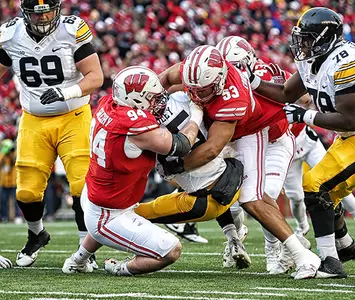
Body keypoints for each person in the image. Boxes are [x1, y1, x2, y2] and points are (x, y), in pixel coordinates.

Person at [159, 45, 320, 279]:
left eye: (202, 90)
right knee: (248, 195)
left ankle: (302, 255)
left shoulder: (233, 98)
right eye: (192, 87)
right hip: (226, 127)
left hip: (249, 132)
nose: (196, 94)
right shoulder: (198, 70)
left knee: (250, 198)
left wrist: (174, 167)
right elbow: (163, 79)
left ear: (219, 80)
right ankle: (283, 243)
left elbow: (212, 149)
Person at [246, 7, 355, 278]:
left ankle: (330, 261)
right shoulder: (313, 59)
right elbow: (284, 93)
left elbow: (348, 120)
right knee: (322, 188)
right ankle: (345, 246)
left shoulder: (347, 60)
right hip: (351, 137)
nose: (300, 43)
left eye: (307, 37)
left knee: (316, 186)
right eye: (300, 37)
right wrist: (253, 81)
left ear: (326, 37)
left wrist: (305, 115)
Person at [62, 66, 203, 275]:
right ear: (136, 101)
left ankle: (77, 260)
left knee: (113, 222)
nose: (158, 103)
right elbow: (181, 144)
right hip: (108, 212)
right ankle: (119, 268)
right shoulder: (135, 128)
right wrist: (196, 113)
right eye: (152, 99)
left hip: (95, 195)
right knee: (171, 250)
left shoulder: (108, 104)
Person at [0, 0, 103, 267]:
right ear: (25, 14)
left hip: (74, 116)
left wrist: (65, 92)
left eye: (47, 10)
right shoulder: (11, 35)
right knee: (26, 191)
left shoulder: (71, 30)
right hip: (34, 119)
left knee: (81, 184)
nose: (44, 17)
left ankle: (85, 249)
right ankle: (36, 235)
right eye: (37, 13)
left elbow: (95, 76)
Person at [134, 90, 251, 269]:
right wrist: (196, 112)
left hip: (201, 203)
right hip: (232, 177)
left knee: (130, 216)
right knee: (219, 192)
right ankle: (234, 239)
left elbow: (169, 175)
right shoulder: (182, 98)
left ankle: (110, 263)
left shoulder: (146, 130)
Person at [216, 36, 296, 272]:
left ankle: (273, 249)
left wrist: (285, 90)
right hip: (245, 142)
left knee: (266, 192)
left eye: (234, 67)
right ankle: (235, 235)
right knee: (230, 203)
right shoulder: (222, 82)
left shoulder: (269, 73)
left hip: (275, 142)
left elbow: (299, 96)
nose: (230, 73)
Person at [285, 122, 355, 241]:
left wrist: (306, 113)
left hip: (307, 140)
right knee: (295, 196)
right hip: (286, 149)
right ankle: (301, 228)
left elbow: (304, 104)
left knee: (335, 182)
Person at [0, 139, 20, 223]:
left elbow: (15, 160)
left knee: (16, 201)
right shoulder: (2, 155)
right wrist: (4, 153)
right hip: (4, 182)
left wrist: (11, 152)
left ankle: (17, 216)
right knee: (4, 201)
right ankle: (4, 217)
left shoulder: (14, 154)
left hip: (13, 182)